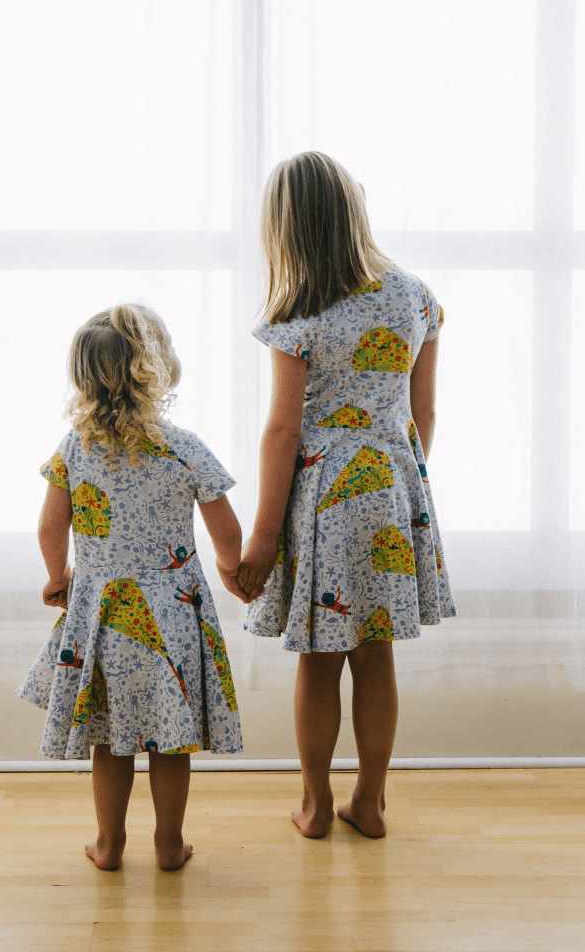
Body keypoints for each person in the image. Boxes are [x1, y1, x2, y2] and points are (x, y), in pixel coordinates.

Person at [239, 151, 456, 840]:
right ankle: (370, 801)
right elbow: (423, 417)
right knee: (376, 653)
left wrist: (263, 538)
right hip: (392, 485)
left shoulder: (298, 310)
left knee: (320, 658)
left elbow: (281, 432)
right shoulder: (417, 296)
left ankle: (313, 803)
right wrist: (400, 485)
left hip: (327, 499)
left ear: (289, 230)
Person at [17, 305, 244, 870]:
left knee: (109, 737)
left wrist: (57, 577)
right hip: (174, 614)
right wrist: (232, 566)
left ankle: (109, 844)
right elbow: (227, 528)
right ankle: (169, 844)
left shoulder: (74, 449)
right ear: (158, 367)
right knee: (172, 738)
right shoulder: (185, 446)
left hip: (103, 614)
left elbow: (51, 527)